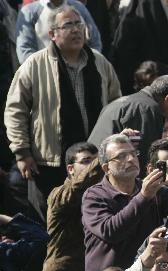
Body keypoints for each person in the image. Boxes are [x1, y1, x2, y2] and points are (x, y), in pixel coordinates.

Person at [4, 5, 120, 198]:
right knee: (48, 219)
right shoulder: (34, 64)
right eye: (68, 25)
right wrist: (22, 153)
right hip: (49, 161)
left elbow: (116, 105)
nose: (76, 30)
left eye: (79, 24)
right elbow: (15, 111)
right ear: (52, 34)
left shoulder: (99, 62)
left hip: (94, 158)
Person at [81, 134, 168, 271]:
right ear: (106, 168)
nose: (131, 159)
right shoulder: (94, 195)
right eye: (121, 156)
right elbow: (110, 231)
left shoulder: (155, 190)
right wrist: (143, 197)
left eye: (133, 153)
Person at [41, 142, 103, 271]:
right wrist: (107, 154)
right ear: (70, 169)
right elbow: (77, 187)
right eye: (85, 161)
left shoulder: (103, 197)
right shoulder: (58, 195)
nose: (91, 166)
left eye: (94, 161)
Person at [89, 75, 168, 168]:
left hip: (90, 170)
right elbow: (143, 159)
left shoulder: (122, 101)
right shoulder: (148, 109)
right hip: (104, 174)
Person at [15, 0, 101, 64]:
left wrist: (87, 65)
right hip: (45, 77)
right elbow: (24, 51)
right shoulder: (30, 12)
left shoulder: (79, 7)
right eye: (68, 24)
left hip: (81, 73)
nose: (75, 29)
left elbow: (95, 43)